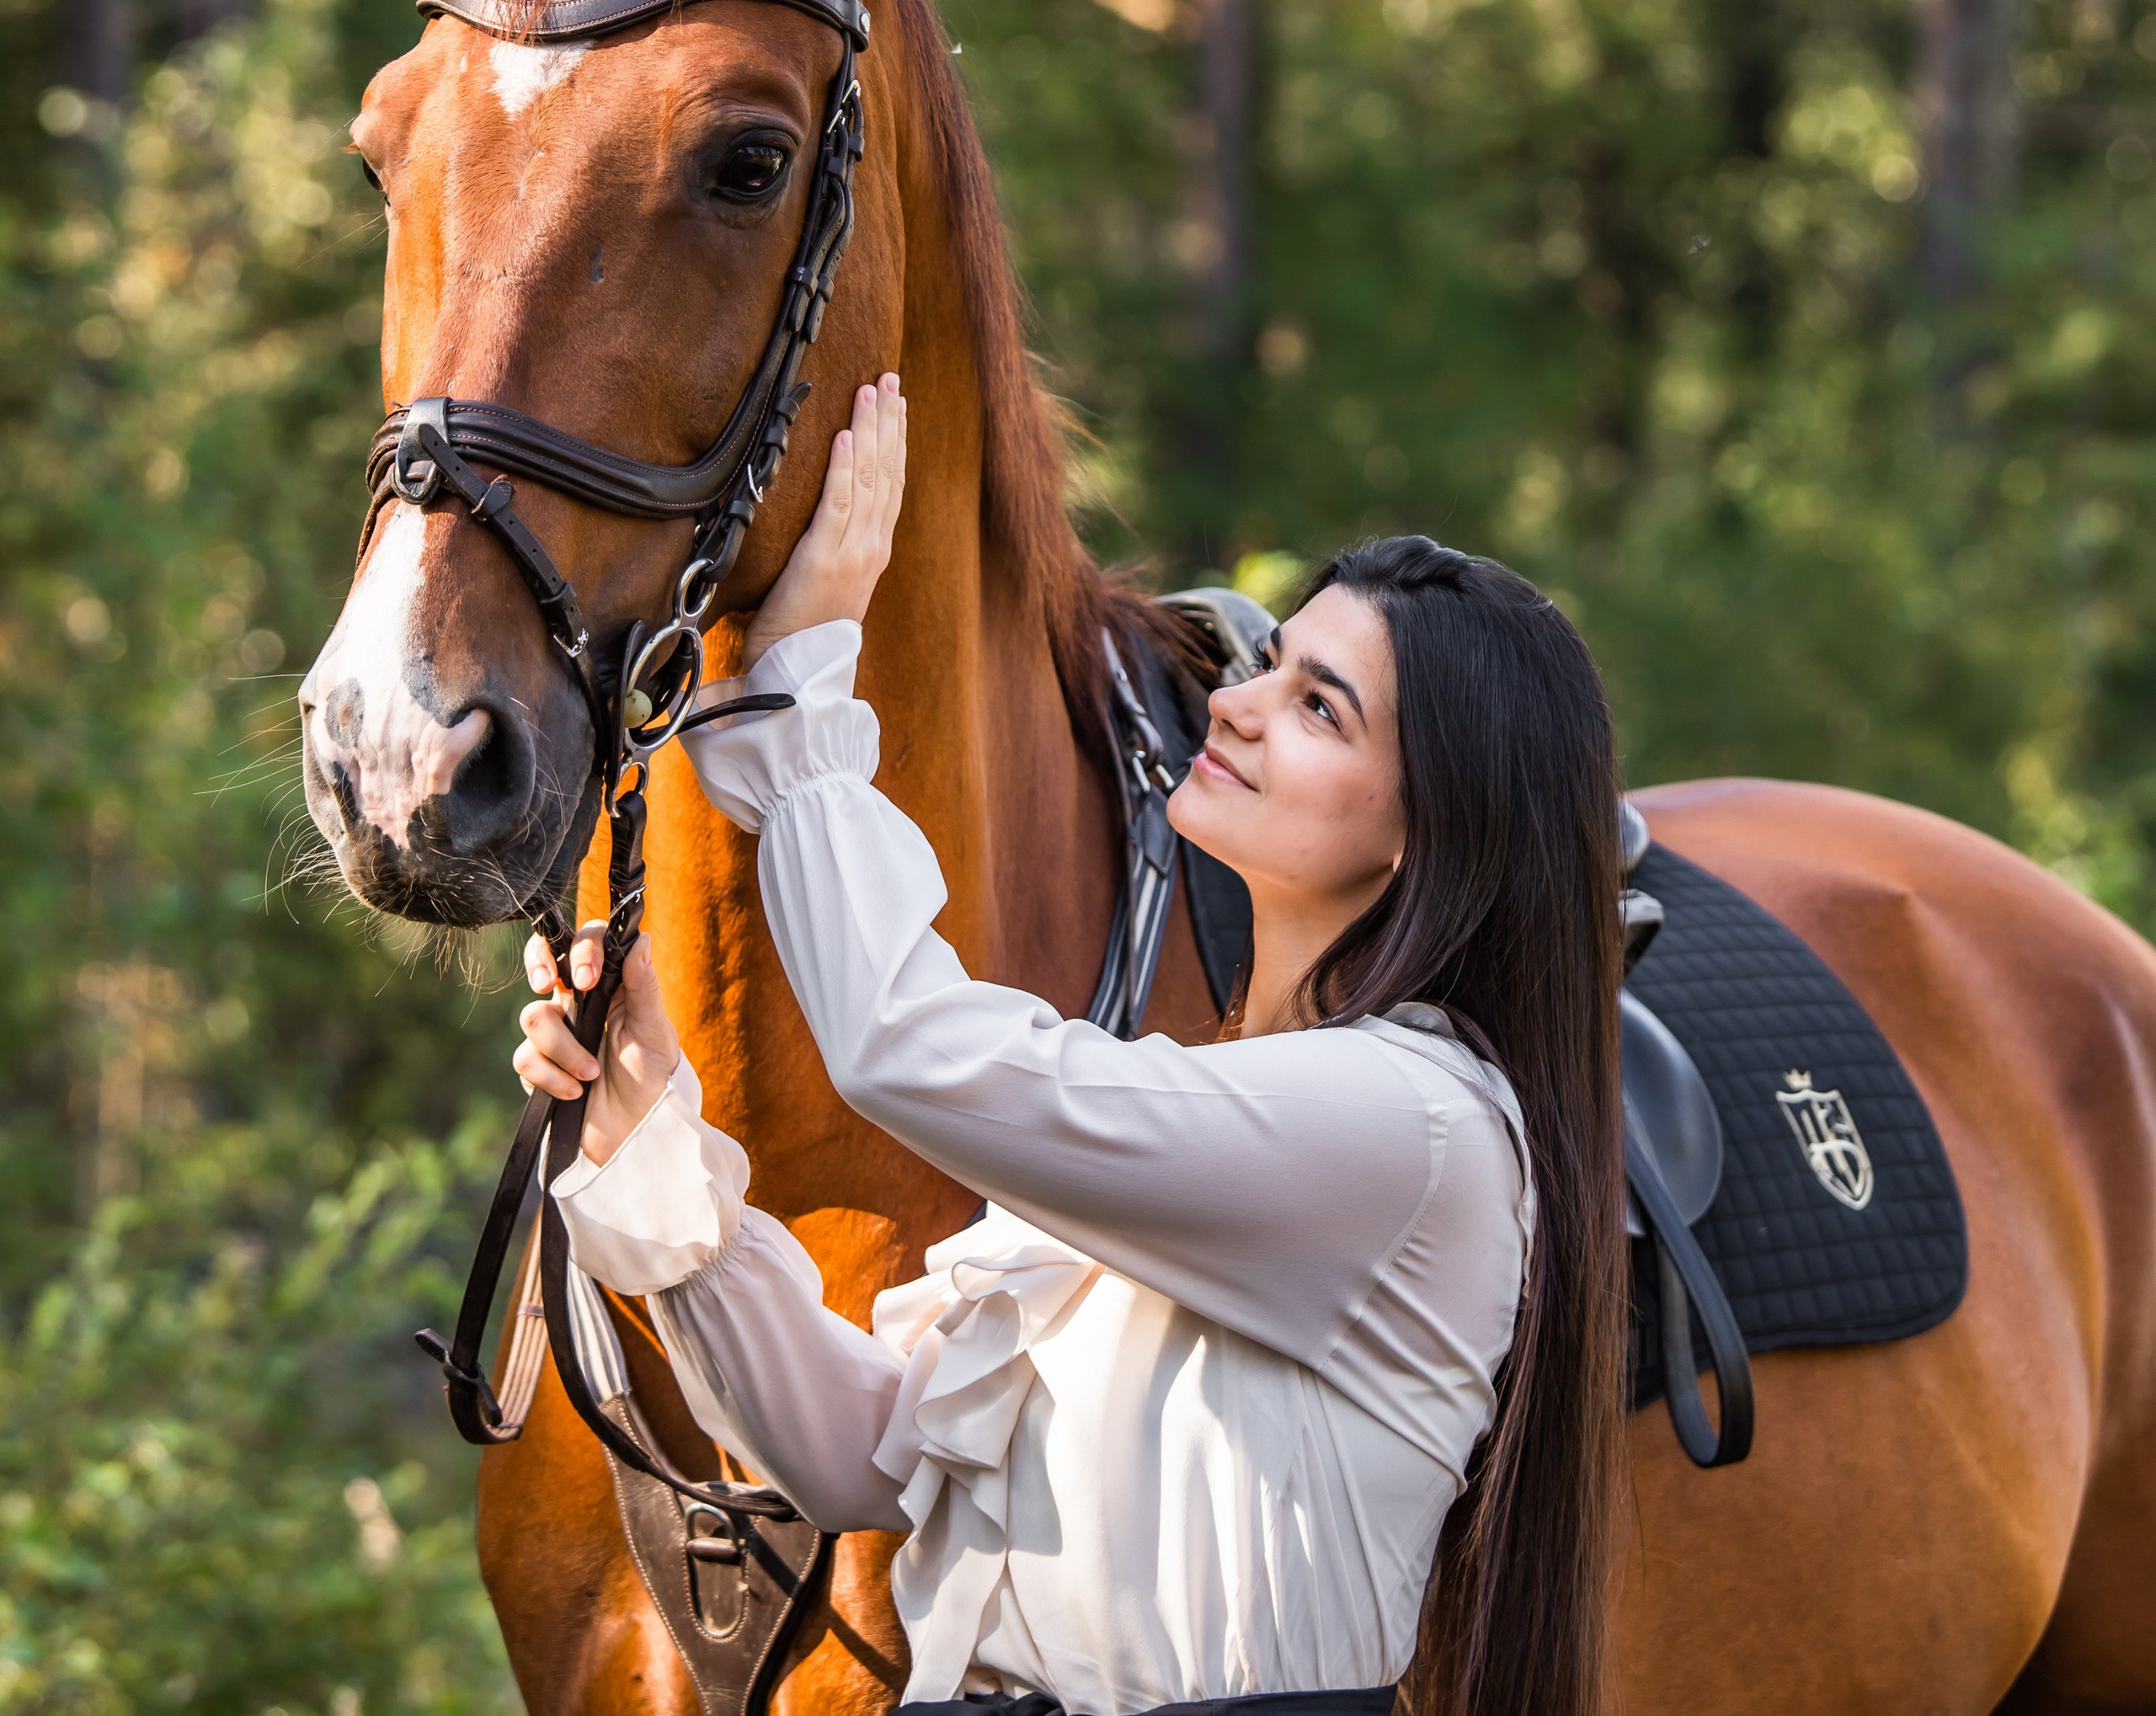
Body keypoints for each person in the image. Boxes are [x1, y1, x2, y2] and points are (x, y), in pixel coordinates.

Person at [515, 375, 1627, 1716]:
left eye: (1321, 708)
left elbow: (907, 1048)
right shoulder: (1223, 1120)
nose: (1237, 703)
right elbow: (867, 1455)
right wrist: (659, 1162)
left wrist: (806, 704)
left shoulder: (1415, 1131)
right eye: (1271, 663)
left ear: (1432, 828)